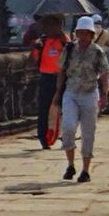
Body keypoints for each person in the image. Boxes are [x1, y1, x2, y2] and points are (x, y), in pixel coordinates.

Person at [55, 16, 109, 183]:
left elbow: (105, 73)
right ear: (77, 33)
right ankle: (70, 164)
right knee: (68, 127)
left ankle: (85, 170)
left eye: (87, 33)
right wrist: (58, 92)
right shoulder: (70, 49)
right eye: (81, 33)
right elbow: (61, 71)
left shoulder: (97, 52)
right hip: (71, 92)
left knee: (88, 133)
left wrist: (105, 93)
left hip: (89, 93)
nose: (83, 36)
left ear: (92, 34)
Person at [31, 15, 69, 149]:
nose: (51, 28)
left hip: (63, 77)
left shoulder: (65, 40)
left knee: (67, 108)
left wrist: (64, 42)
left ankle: (66, 136)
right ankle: (44, 138)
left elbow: (71, 56)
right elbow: (34, 60)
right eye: (48, 25)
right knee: (44, 109)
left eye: (54, 25)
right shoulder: (41, 42)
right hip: (46, 77)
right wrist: (35, 48)